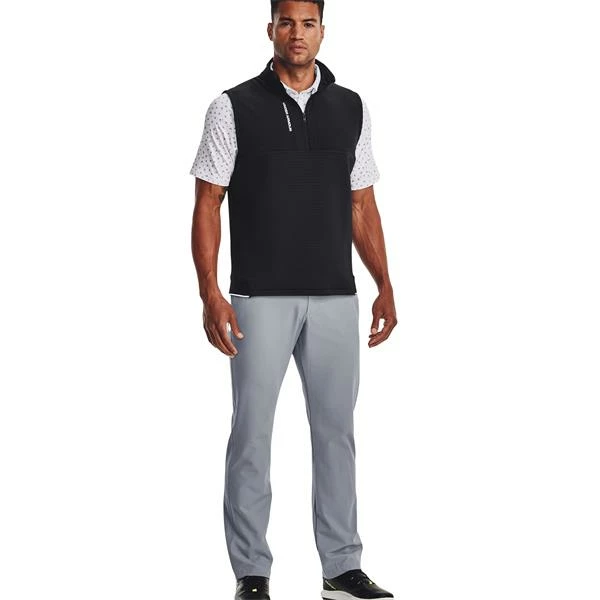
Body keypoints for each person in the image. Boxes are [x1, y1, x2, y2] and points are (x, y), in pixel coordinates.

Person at [189, 1, 397, 598]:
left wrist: (384, 283)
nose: (296, 33)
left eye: (308, 23)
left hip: (335, 295)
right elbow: (207, 203)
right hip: (259, 296)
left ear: (322, 31)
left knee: (336, 434)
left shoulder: (350, 107)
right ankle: (251, 573)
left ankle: (341, 568)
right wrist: (210, 292)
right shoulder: (232, 106)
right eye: (286, 22)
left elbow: (361, 203)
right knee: (251, 434)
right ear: (271, 29)